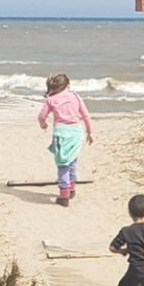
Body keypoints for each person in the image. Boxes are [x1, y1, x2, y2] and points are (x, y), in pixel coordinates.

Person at [38, 73, 94, 206]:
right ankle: (72, 188)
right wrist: (90, 132)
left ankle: (64, 195)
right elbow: (86, 115)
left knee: (62, 163)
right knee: (72, 160)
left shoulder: (50, 100)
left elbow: (41, 116)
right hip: (76, 133)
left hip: (61, 133)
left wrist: (43, 124)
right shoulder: (75, 96)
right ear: (68, 85)